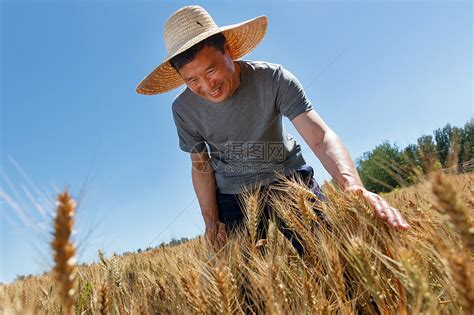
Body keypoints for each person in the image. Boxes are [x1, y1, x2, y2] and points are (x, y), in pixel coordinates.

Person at [136, 5, 409, 249]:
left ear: (228, 51)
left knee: (334, 258)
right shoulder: (183, 110)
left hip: (289, 178)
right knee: (246, 294)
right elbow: (201, 166)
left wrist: (352, 187)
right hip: (233, 195)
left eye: (211, 70)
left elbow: (320, 136)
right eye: (192, 80)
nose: (207, 87)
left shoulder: (274, 78)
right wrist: (211, 221)